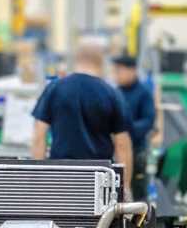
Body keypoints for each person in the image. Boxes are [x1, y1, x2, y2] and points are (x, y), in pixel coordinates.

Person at [31, 39, 135, 197]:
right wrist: (124, 189)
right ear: (101, 61)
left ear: (75, 59)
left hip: (61, 175)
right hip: (99, 177)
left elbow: (39, 137)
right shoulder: (111, 93)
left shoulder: (54, 89)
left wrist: (37, 182)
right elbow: (122, 143)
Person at [111, 54, 156, 201]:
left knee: (138, 194)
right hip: (115, 152)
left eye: (120, 71)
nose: (116, 75)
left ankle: (141, 222)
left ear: (132, 71)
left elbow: (148, 121)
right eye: (115, 71)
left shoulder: (143, 93)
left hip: (137, 152)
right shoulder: (114, 93)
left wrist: (125, 131)